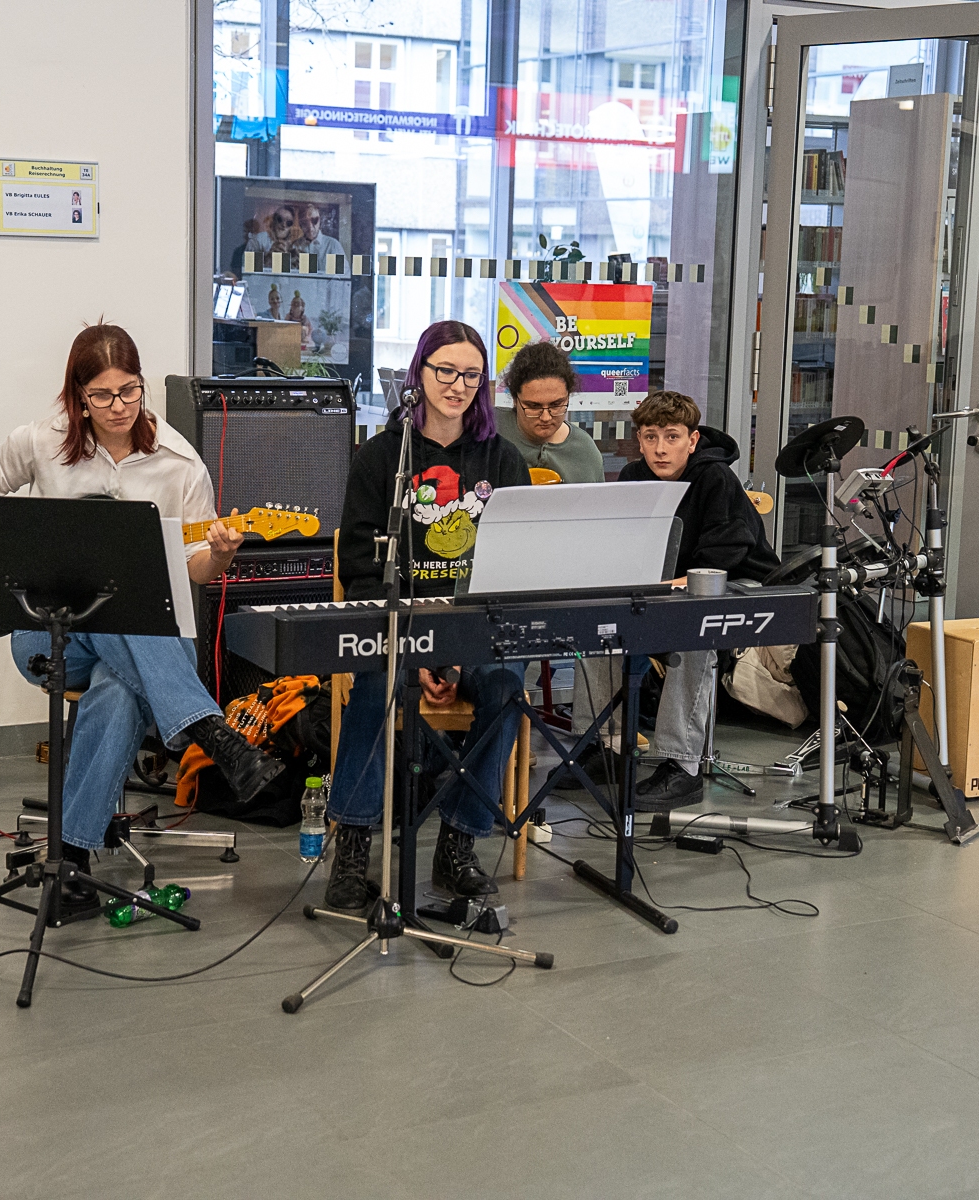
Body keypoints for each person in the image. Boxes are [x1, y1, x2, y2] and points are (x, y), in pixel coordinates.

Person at [0, 322, 285, 912]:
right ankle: (210, 732)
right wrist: (27, 537)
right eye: (102, 395)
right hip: (48, 633)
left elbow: (198, 572)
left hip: (147, 635)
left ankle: (71, 863)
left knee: (118, 681)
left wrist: (221, 553)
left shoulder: (178, 463)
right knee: (115, 613)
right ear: (78, 396)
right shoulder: (41, 442)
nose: (118, 407)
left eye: (130, 391)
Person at [324, 320, 533, 910]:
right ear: (418, 373)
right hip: (398, 625)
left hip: (475, 628)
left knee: (505, 686)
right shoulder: (381, 457)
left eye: (471, 375)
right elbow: (360, 566)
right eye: (446, 371)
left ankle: (458, 844)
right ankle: (353, 849)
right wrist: (415, 654)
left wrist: (457, 656)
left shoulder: (502, 460)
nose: (458, 385)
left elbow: (516, 566)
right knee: (376, 683)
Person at [618, 390, 780, 808]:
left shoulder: (715, 477)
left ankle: (682, 765)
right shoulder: (632, 477)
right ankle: (605, 743)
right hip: (667, 588)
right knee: (601, 623)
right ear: (639, 440)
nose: (660, 448)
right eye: (650, 436)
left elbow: (722, 559)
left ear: (692, 440)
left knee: (694, 627)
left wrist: (663, 588)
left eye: (672, 437)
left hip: (740, 583)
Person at [497, 340, 604, 483]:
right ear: (515, 400)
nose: (546, 417)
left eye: (556, 405)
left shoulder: (585, 453)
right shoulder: (488, 430)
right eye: (534, 406)